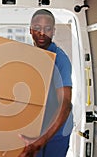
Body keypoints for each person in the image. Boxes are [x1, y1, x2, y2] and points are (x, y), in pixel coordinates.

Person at [19, 9, 73, 157]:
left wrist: (40, 141)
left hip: (56, 133)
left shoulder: (60, 60)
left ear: (53, 31)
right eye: (37, 28)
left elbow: (65, 104)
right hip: (35, 128)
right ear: (30, 30)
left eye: (47, 29)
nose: (42, 33)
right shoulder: (28, 56)